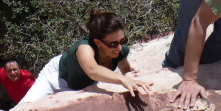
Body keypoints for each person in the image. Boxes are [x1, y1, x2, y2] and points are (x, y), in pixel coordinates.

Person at [20, 10, 153, 103]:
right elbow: (92, 70)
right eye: (113, 43)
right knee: (23, 109)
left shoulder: (120, 52)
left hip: (83, 85)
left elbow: (125, 70)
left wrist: (130, 78)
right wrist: (122, 79)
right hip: (55, 79)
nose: (119, 47)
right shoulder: (84, 47)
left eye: (122, 41)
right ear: (97, 42)